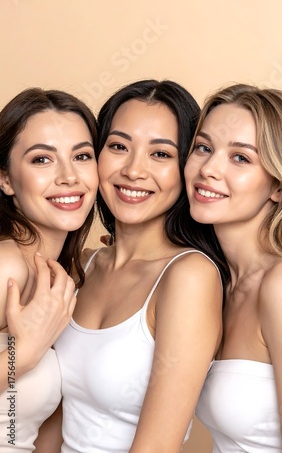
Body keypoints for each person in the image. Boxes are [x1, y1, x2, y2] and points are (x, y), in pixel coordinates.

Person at [53, 79, 230, 452]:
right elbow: (52, 420)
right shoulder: (84, 265)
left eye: (161, 154)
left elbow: (158, 447)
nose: (134, 170)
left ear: (186, 167)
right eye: (118, 146)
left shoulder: (189, 277)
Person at [185, 83, 282, 452]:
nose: (208, 169)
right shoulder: (216, 284)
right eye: (204, 148)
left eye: (240, 157)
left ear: (277, 185)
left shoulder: (277, 285)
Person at [0, 87, 98, 451]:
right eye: (42, 159)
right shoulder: (8, 265)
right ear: (6, 179)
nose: (69, 177)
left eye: (82, 156)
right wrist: (22, 357)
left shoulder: (62, 273)